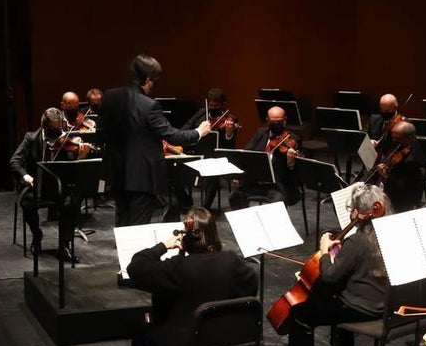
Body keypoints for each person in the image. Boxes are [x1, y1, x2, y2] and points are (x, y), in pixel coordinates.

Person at [123, 207, 259, 346]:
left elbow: (136, 268)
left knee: (145, 334)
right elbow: (251, 286)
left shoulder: (179, 267)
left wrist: (163, 246)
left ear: (186, 238)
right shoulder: (231, 262)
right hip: (228, 341)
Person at [285, 183, 391, 346]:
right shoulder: (388, 234)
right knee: (337, 294)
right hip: (384, 304)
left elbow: (329, 277)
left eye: (352, 210)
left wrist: (325, 251)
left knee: (300, 314)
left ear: (360, 213)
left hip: (362, 308)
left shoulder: (357, 241)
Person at [98, 54, 212, 226]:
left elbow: (102, 130)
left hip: (117, 172)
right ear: (149, 79)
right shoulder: (149, 105)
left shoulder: (110, 96)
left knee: (122, 223)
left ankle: (125, 253)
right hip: (142, 176)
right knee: (138, 227)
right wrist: (199, 132)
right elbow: (173, 135)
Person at [10, 107, 84, 263]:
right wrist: (26, 176)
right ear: (44, 126)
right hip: (35, 185)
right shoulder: (30, 138)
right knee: (28, 203)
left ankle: (64, 246)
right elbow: (15, 161)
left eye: (59, 128)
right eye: (52, 129)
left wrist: (79, 152)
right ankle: (37, 236)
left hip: (57, 186)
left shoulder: (64, 140)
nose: (56, 132)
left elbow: (72, 166)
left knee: (72, 203)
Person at [227, 105, 301, 210]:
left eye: (279, 122)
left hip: (276, 187)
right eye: (273, 122)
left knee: (277, 202)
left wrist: (290, 162)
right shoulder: (260, 133)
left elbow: (296, 172)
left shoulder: (293, 139)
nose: (276, 124)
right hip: (254, 182)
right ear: (267, 121)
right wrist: (239, 173)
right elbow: (246, 154)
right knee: (234, 196)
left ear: (285, 121)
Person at [184, 88, 240, 209]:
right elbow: (185, 129)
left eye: (216, 106)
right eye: (210, 105)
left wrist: (229, 133)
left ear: (222, 105)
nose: (213, 108)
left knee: (212, 172)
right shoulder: (201, 113)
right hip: (196, 153)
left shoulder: (230, 119)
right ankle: (186, 203)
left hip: (217, 158)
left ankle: (204, 208)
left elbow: (229, 147)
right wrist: (197, 131)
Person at [375, 119, 426, 213]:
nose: (394, 141)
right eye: (393, 137)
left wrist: (385, 177)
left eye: (397, 139)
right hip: (394, 190)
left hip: (401, 202)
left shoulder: (412, 160)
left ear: (409, 137)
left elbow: (399, 188)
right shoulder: (404, 145)